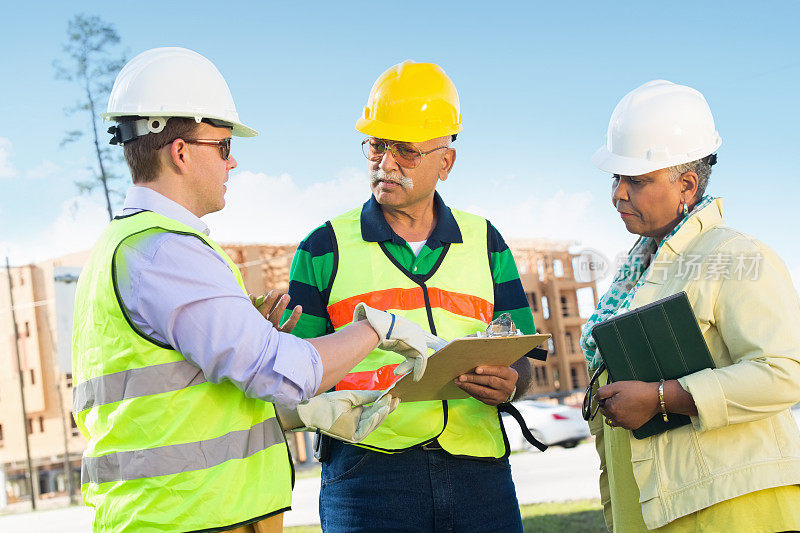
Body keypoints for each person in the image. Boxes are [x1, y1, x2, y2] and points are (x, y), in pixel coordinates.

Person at [71, 47, 440, 533]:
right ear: (181, 153)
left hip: (176, 514)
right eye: (223, 146)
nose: (233, 161)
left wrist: (248, 336)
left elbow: (180, 394)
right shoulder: (167, 253)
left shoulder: (128, 246)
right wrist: (376, 328)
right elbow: (280, 373)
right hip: (191, 517)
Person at [284, 60, 536, 532]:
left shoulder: (486, 242)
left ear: (446, 160)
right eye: (377, 146)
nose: (386, 163)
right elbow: (300, 373)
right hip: (367, 476)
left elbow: (522, 356)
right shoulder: (322, 247)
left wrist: (511, 381)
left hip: (478, 470)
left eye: (406, 150)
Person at [581, 79, 800, 531]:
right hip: (653, 504)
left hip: (729, 507)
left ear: (686, 185)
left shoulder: (734, 255)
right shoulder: (638, 270)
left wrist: (664, 398)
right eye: (616, 178)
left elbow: (784, 371)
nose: (618, 194)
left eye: (636, 180)